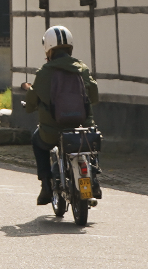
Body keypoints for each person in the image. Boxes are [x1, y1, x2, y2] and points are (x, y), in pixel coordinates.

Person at [19, 25, 100, 207]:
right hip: (82, 129)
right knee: (90, 143)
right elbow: (94, 96)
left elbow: (31, 101)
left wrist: (30, 106)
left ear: (48, 48)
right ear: (70, 47)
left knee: (36, 140)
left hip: (52, 132)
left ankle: (46, 184)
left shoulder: (44, 73)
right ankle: (93, 178)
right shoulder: (82, 69)